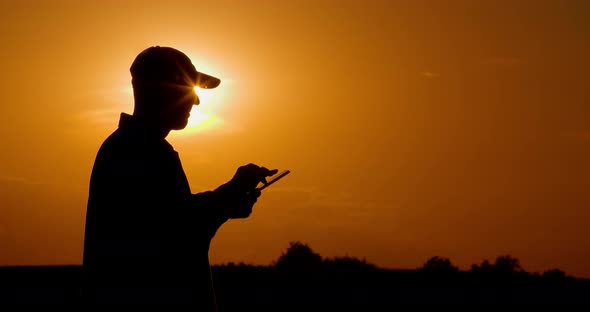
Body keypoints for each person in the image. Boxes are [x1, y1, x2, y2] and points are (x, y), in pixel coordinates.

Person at [81, 46, 277, 309]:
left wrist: (228, 201)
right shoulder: (141, 151)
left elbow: (175, 223)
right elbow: (177, 233)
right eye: (188, 90)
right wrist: (229, 195)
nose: (196, 101)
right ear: (162, 91)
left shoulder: (130, 147)